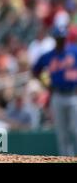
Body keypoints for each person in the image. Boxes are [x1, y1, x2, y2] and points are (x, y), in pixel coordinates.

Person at [32, 26, 77, 156]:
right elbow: (35, 70)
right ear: (54, 39)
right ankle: (66, 158)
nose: (61, 41)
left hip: (74, 94)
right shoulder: (48, 55)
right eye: (58, 38)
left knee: (76, 129)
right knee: (62, 132)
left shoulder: (74, 51)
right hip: (57, 95)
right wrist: (46, 84)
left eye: (62, 38)